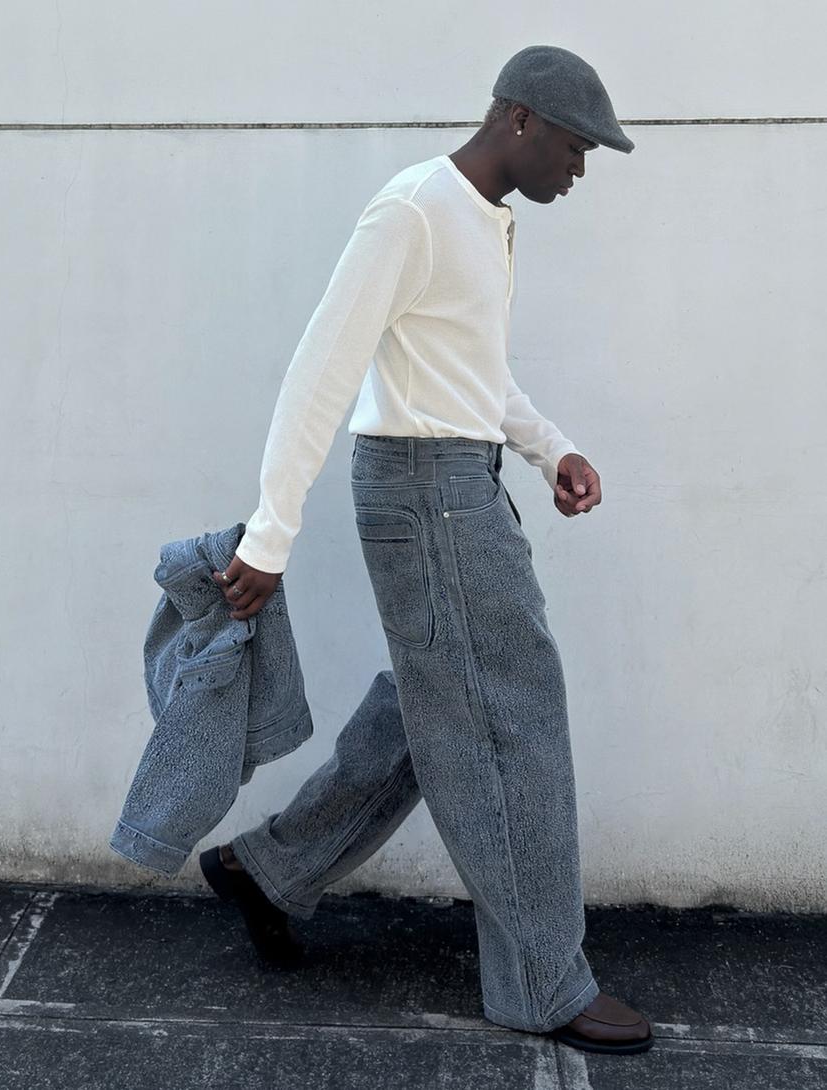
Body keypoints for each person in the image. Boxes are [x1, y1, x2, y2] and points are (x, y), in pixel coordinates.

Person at [202, 45, 653, 1055]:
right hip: (425, 491)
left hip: (458, 480)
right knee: (513, 715)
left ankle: (270, 869)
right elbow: (321, 369)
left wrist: (551, 447)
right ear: (519, 121)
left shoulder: (483, 218)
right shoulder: (411, 210)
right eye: (576, 149)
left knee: (434, 702)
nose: (577, 172)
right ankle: (542, 979)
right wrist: (269, 534)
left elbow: (468, 369)